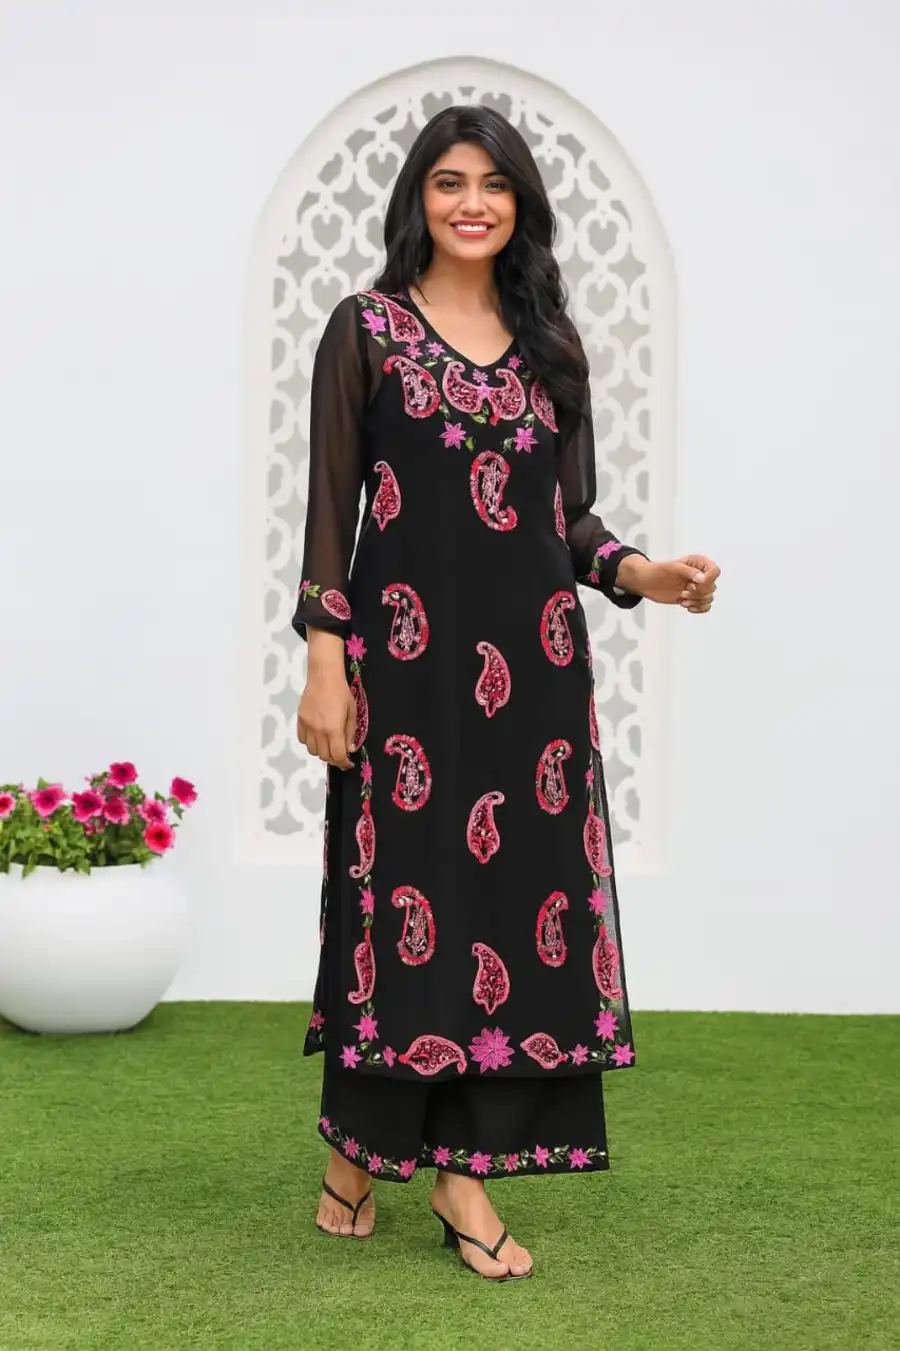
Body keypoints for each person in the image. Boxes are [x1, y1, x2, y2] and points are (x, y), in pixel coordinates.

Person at [293, 104, 719, 1282]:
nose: (471, 202)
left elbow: (567, 521)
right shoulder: (368, 330)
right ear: (417, 201)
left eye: (493, 183)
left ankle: (427, 1166)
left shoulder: (549, 345)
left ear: (520, 203)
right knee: (402, 909)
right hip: (404, 674)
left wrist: (644, 574)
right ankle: (395, 1158)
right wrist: (324, 660)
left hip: (534, 685)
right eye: (448, 182)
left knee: (509, 915)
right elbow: (330, 509)